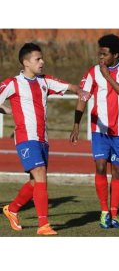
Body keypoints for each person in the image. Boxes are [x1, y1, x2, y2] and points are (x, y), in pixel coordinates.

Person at [0, 42, 89, 235]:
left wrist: (79, 91)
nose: (42, 62)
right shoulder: (12, 83)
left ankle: (12, 209)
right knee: (40, 174)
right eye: (37, 59)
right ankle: (43, 225)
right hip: (25, 137)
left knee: (35, 182)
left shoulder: (45, 80)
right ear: (25, 62)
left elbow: (69, 85)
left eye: (42, 58)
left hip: (43, 138)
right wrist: (5, 109)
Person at [69, 34, 119, 229]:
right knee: (99, 167)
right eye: (99, 54)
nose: (101, 58)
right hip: (98, 128)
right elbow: (83, 96)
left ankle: (115, 215)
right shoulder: (92, 72)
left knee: (117, 171)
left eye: (105, 55)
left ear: (115, 55)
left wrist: (108, 76)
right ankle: (104, 212)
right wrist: (76, 124)